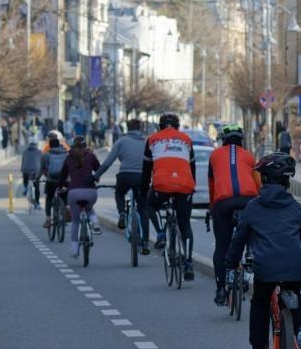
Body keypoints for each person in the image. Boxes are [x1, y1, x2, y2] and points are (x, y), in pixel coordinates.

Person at [224, 152, 301, 349]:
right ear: (287, 181)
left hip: (266, 267)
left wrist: (230, 264)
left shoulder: (253, 207)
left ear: (265, 179)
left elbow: (238, 240)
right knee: (295, 295)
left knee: (260, 301)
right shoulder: (296, 207)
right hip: (297, 265)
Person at [208, 124, 262, 305]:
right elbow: (258, 184)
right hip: (248, 200)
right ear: (241, 140)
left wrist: (212, 205)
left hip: (223, 202)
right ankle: (250, 254)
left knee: (221, 246)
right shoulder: (249, 155)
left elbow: (211, 184)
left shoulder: (214, 155)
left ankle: (220, 289)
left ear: (223, 140)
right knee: (250, 233)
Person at [142, 113, 196, 281]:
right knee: (185, 224)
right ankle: (188, 262)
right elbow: (192, 167)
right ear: (178, 126)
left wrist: (143, 192)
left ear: (159, 126)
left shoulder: (152, 139)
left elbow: (146, 171)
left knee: (150, 205)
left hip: (162, 185)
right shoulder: (186, 139)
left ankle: (160, 233)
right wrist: (190, 188)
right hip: (185, 185)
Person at [93, 118, 150, 255]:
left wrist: (96, 176)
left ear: (127, 129)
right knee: (143, 210)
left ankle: (122, 213)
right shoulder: (147, 142)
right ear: (141, 128)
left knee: (119, 193)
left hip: (125, 175)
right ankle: (146, 243)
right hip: (142, 177)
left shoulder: (121, 142)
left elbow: (107, 162)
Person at [57, 136, 102, 258]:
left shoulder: (68, 158)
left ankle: (75, 250)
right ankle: (94, 222)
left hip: (74, 192)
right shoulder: (91, 156)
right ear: (85, 145)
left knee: (75, 221)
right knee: (89, 207)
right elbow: (99, 169)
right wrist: (95, 178)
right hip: (90, 192)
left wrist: (60, 186)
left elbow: (62, 176)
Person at [40, 136, 69, 229]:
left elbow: (41, 169)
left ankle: (48, 218)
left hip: (51, 181)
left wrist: (36, 178)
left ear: (50, 146)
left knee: (49, 198)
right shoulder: (66, 154)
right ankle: (67, 208)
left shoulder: (46, 155)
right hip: (64, 181)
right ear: (59, 145)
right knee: (65, 195)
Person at [20, 141, 42, 208]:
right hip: (35, 171)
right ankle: (37, 203)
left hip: (26, 170)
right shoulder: (39, 152)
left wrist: (22, 170)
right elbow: (41, 162)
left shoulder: (25, 151)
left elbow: (23, 162)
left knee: (25, 174)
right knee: (37, 187)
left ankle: (25, 187)